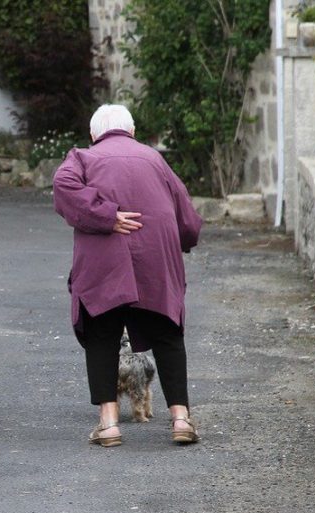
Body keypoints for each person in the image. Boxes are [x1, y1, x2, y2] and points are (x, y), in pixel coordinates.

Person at [53, 104, 203, 446]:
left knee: (102, 334)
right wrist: (185, 240)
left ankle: (108, 424)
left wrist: (105, 216)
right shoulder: (154, 159)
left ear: (94, 134)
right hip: (156, 257)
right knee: (167, 333)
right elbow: (187, 216)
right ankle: (181, 419)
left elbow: (62, 185)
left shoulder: (82, 157)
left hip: (104, 259)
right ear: (132, 131)